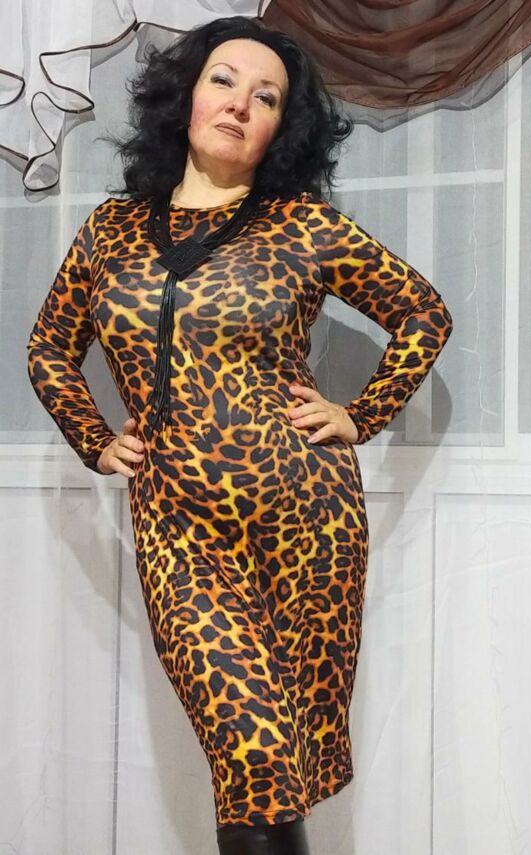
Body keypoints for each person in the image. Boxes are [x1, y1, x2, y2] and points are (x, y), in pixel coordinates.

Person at [25, 15, 454, 855]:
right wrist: (92, 434)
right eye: (223, 81)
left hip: (306, 524)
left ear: (280, 128)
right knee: (250, 746)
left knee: (270, 770)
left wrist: (359, 414)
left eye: (267, 98)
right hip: (178, 528)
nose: (238, 105)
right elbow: (49, 347)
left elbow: (423, 313)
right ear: (184, 95)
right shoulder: (111, 232)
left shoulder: (305, 227)